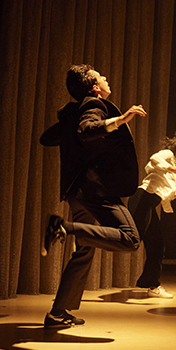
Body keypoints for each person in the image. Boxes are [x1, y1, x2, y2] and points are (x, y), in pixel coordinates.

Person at [40, 64, 147, 328]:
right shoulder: (93, 105)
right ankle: (62, 227)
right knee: (131, 239)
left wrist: (67, 122)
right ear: (95, 88)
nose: (107, 78)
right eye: (102, 77)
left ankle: (57, 313)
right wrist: (119, 121)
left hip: (77, 190)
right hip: (93, 189)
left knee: (84, 251)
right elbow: (88, 129)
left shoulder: (75, 111)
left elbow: (47, 138)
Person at [128, 132, 176, 299]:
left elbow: (163, 190)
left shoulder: (171, 171)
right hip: (142, 201)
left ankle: (152, 285)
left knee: (157, 245)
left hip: (147, 205)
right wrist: (175, 169)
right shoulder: (167, 155)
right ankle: (88, 233)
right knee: (128, 241)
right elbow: (154, 159)